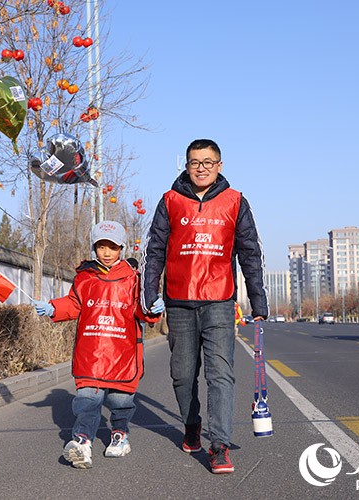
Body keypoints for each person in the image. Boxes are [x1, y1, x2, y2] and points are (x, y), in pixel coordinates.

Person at [140, 138, 269, 474]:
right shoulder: (170, 201)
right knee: (182, 374)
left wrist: (258, 300)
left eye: (208, 162)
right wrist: (149, 291)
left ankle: (220, 445)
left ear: (219, 166)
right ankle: (192, 423)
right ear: (186, 165)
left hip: (219, 301)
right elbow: (154, 250)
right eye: (195, 162)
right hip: (179, 302)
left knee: (220, 374)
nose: (201, 168)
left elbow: (250, 253)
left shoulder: (235, 201)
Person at [33, 220, 164, 469]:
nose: (106, 252)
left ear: (121, 248)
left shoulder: (134, 279)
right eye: (101, 246)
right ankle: (82, 441)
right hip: (90, 353)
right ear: (94, 247)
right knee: (86, 400)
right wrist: (53, 308)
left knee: (120, 402)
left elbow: (142, 309)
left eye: (112, 247)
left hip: (122, 354)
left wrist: (153, 307)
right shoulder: (84, 278)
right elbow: (74, 304)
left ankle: (120, 434)